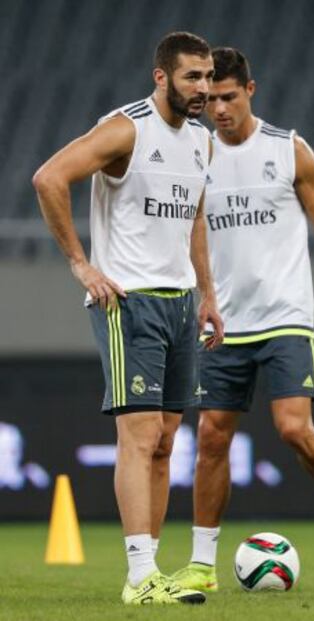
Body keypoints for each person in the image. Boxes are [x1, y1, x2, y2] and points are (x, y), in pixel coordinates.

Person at [173, 47, 314, 592]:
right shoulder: (195, 155)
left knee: (292, 428)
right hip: (223, 322)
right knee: (212, 438)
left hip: (285, 314)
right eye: (210, 98)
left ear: (250, 91)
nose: (217, 109)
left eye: (228, 97)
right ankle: (201, 563)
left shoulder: (289, 150)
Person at [33, 31, 223, 606]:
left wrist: (208, 295)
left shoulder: (202, 143)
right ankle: (139, 575)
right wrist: (81, 266)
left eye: (209, 77)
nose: (204, 89)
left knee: (166, 441)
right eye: (193, 77)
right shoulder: (126, 128)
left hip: (180, 303)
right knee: (139, 436)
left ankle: (152, 572)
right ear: (161, 77)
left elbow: (193, 221)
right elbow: (48, 178)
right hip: (128, 300)